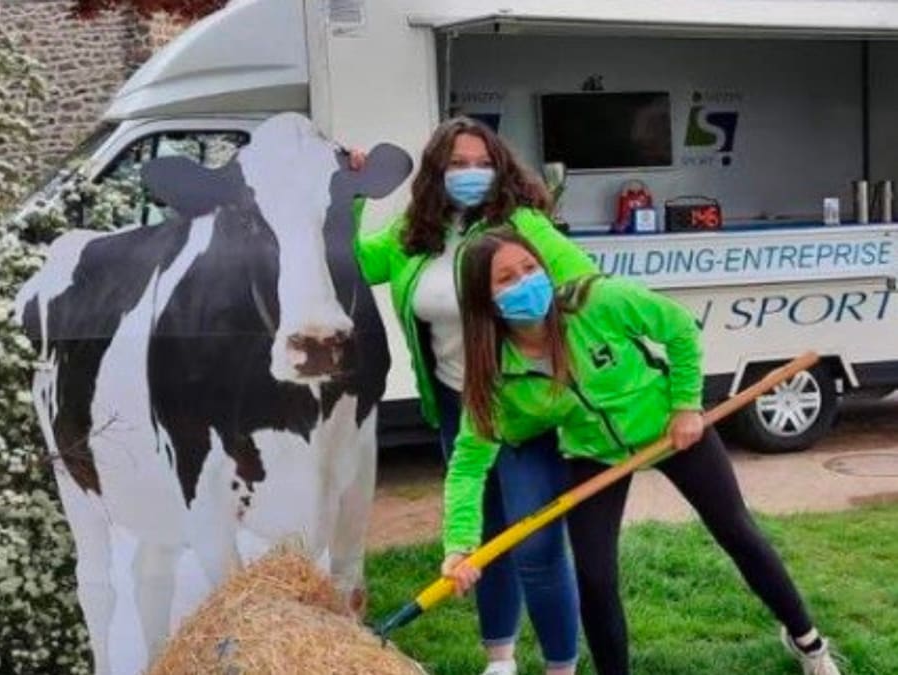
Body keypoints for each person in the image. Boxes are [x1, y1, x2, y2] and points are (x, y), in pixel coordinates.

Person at [441, 227, 842, 675]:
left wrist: (686, 405)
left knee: (736, 531)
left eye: (530, 268)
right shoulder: (493, 370)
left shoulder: (597, 301)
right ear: (484, 299)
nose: (526, 283)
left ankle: (809, 643)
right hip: (594, 454)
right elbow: (468, 465)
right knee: (594, 576)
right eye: (507, 279)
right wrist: (458, 545)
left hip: (672, 430)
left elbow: (678, 328)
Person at [352, 117, 596, 675]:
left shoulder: (523, 224)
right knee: (484, 536)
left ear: (500, 166)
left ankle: (562, 667)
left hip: (524, 406)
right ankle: (500, 659)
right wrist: (355, 195)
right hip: (456, 402)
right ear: (437, 172)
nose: (471, 174)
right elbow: (359, 264)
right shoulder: (415, 234)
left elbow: (585, 284)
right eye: (457, 164)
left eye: (481, 163)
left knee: (534, 546)